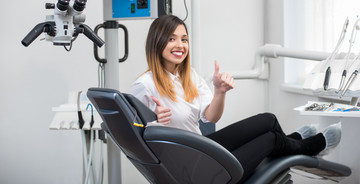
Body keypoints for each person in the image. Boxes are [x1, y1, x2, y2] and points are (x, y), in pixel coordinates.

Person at [130, 14, 342, 183]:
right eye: (171, 38)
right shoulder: (145, 85)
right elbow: (135, 139)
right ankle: (309, 146)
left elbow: (210, 118)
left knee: (268, 120)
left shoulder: (189, 75)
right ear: (156, 42)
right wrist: (155, 122)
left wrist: (220, 91)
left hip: (202, 148)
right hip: (191, 169)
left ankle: (294, 140)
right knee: (271, 139)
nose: (180, 45)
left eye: (184, 39)